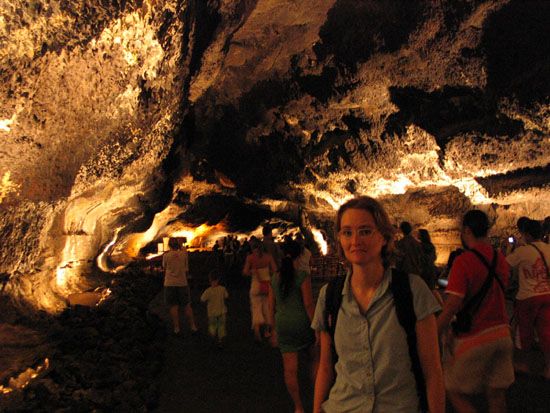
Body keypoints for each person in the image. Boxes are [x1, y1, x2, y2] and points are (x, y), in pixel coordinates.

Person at [311, 196, 444, 413]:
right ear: (340, 240)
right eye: (347, 232)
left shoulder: (411, 291)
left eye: (365, 231)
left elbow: (433, 371)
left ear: (383, 237)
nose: (355, 241)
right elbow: (326, 367)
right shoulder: (330, 297)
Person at [437, 210, 514, 413]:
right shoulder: (500, 259)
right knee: (496, 395)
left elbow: (453, 304)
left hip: (477, 336)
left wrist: (434, 330)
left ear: (467, 230)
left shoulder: (464, 261)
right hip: (503, 333)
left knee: (453, 389)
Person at [268, 240, 316, 413]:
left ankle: (298, 407)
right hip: (302, 322)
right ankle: (318, 396)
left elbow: (270, 306)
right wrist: (317, 328)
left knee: (290, 370)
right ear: (300, 255)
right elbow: (309, 305)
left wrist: (273, 329)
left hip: (283, 325)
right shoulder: (302, 276)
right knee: (315, 359)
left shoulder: (275, 278)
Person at [506, 218, 550, 379]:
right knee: (546, 332)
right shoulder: (548, 249)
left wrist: (510, 248)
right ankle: (548, 367)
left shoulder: (523, 251)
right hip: (546, 295)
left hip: (527, 297)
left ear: (527, 234)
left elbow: (505, 265)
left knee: (524, 332)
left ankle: (524, 364)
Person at [243, 237, 277, 342]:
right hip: (267, 284)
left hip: (256, 284)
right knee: (267, 308)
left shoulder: (250, 258)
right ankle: (267, 331)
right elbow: (275, 270)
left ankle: (257, 331)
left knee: (256, 308)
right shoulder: (268, 257)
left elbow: (245, 272)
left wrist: (253, 272)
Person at [162, 238, 198, 335]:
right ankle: (193, 326)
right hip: (182, 282)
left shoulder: (166, 256)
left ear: (169, 245)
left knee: (173, 306)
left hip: (169, 283)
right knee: (187, 305)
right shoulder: (184, 254)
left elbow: (164, 268)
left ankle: (177, 328)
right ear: (178, 245)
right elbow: (186, 270)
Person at [395, 221, 432, 288]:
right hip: (416, 272)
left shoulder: (401, 243)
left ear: (401, 230)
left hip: (405, 272)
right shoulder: (417, 243)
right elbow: (421, 258)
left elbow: (399, 259)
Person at [200, 270, 229, 348]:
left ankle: (212, 338)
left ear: (209, 280)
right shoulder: (222, 289)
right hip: (222, 311)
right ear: (218, 279)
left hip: (212, 312)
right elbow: (226, 296)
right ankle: (220, 341)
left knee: (212, 326)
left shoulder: (208, 291)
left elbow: (202, 299)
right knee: (221, 326)